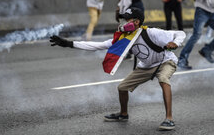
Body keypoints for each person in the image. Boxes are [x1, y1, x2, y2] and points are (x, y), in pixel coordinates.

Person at [49, 7, 186, 131]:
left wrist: (175, 43)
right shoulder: (124, 38)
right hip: (146, 67)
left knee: (163, 78)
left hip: (165, 61)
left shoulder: (151, 33)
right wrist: (68, 43)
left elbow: (180, 33)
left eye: (126, 20)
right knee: (122, 87)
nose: (122, 23)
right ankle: (123, 114)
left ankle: (169, 119)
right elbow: (98, 45)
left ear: (136, 22)